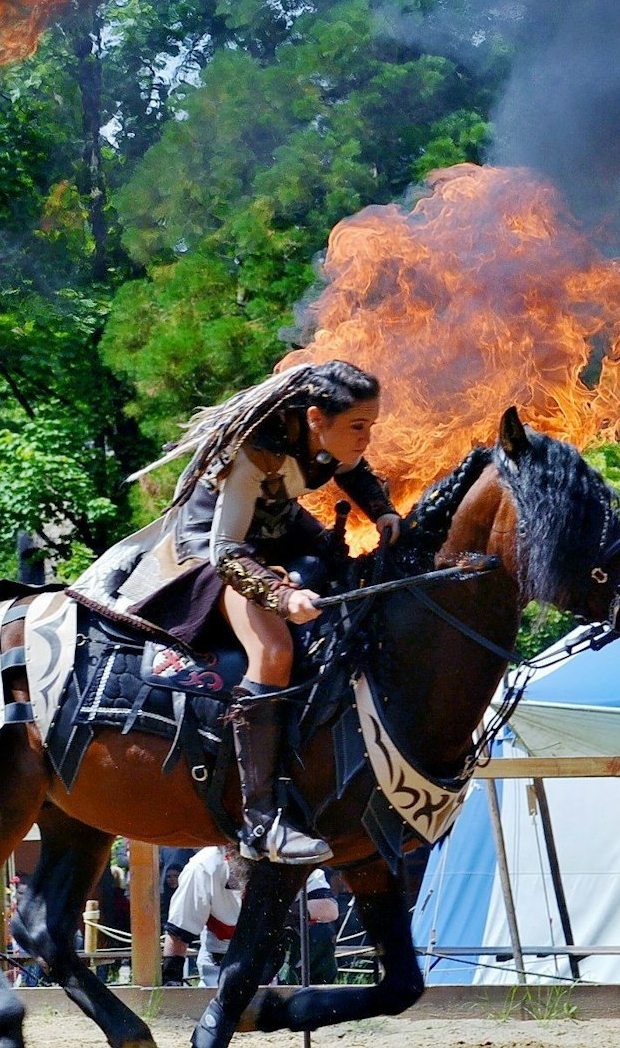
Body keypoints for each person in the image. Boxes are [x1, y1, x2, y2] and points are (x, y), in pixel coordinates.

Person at [75, 361, 396, 865]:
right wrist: (281, 596)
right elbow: (226, 550)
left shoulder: (328, 441)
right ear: (316, 418)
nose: (367, 438)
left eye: (371, 426)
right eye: (359, 427)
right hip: (209, 555)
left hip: (274, 534)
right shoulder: (253, 453)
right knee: (273, 648)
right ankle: (261, 821)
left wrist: (383, 511)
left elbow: (352, 469)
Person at [163, 846, 244, 987]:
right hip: (218, 969)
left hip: (268, 965)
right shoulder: (203, 867)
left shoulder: (281, 858)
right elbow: (179, 931)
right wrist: (172, 985)